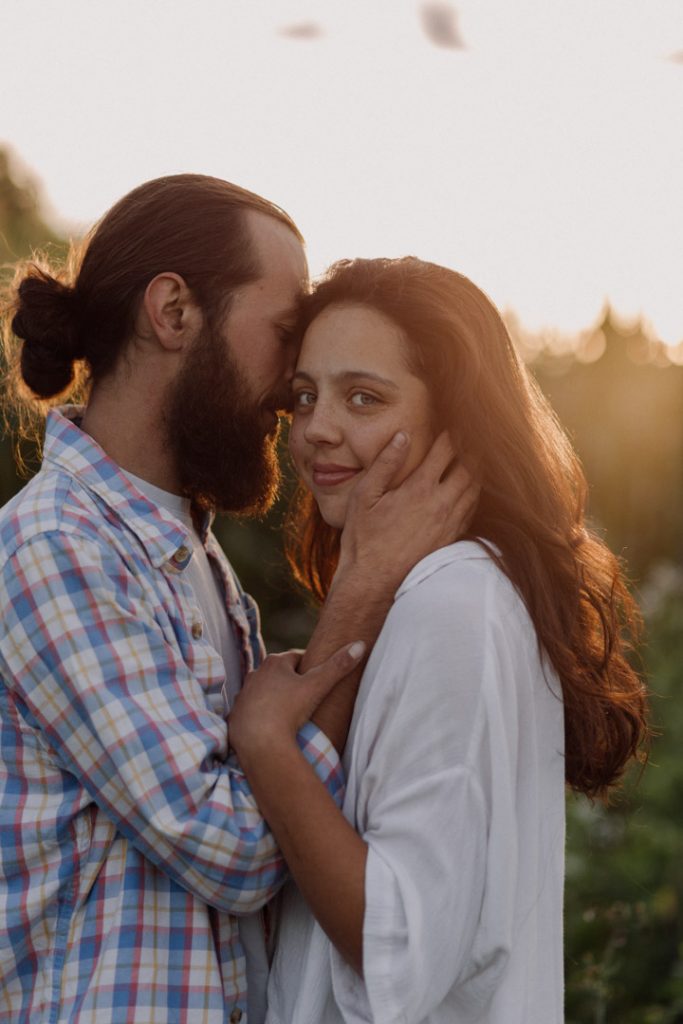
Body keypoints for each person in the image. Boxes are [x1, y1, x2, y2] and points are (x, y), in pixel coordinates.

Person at [0, 180, 477, 1024]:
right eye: (285, 333)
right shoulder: (55, 551)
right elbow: (234, 850)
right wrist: (361, 590)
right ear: (174, 311)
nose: (293, 381)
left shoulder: (189, 557)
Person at [227, 257, 649, 1024]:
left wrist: (265, 743)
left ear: (457, 422)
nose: (318, 428)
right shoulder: (438, 594)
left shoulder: (454, 602)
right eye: (305, 395)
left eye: (364, 397)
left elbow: (397, 943)